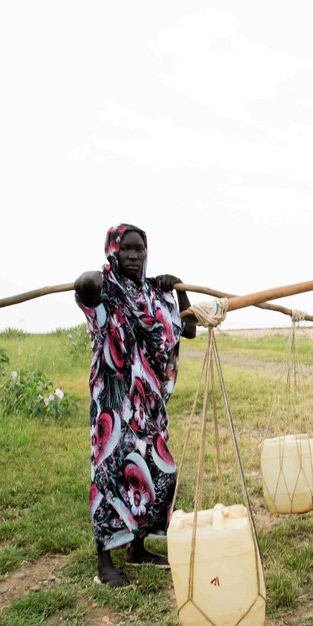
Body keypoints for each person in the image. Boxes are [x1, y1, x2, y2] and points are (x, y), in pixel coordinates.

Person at [75, 224, 196, 586]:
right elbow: (84, 285)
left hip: (146, 404)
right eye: (125, 249)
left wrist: (180, 291)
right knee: (111, 474)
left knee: (159, 472)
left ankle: (137, 546)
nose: (133, 256)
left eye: (139, 250)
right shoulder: (105, 292)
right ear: (112, 251)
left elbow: (186, 330)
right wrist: (102, 276)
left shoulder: (152, 296)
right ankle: (104, 561)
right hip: (113, 403)